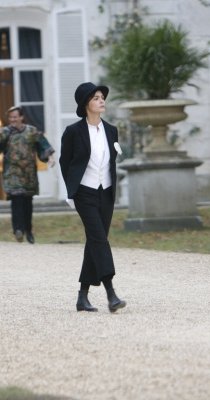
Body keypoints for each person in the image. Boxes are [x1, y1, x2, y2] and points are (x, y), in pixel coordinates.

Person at [59, 82, 126, 313]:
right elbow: (64, 163)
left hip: (106, 193)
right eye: (96, 98)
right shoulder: (73, 132)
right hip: (85, 193)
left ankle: (82, 296)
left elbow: (111, 161)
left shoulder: (111, 130)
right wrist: (72, 192)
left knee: (95, 241)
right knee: (100, 239)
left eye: (102, 97)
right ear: (86, 104)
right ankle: (111, 293)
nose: (102, 100)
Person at [0, 106, 55, 244]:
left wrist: (50, 158)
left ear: (21, 117)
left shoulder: (31, 131)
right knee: (16, 199)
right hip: (12, 173)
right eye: (10, 117)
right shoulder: (4, 132)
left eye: (15, 117)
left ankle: (28, 231)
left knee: (27, 203)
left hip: (28, 174)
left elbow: (42, 145)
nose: (12, 120)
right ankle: (18, 230)